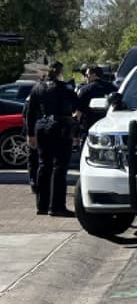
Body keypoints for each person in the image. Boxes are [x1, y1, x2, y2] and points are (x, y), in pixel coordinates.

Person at [27, 61, 76, 216]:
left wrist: (30, 134)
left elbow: (29, 112)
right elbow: (77, 105)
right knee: (60, 167)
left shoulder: (37, 88)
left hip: (41, 127)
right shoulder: (64, 88)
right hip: (60, 127)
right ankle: (56, 206)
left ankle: (42, 205)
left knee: (43, 165)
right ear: (60, 72)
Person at [75, 65, 114, 140]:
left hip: (89, 129)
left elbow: (78, 114)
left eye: (87, 75)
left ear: (94, 74)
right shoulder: (112, 88)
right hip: (108, 129)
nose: (85, 77)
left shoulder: (85, 90)